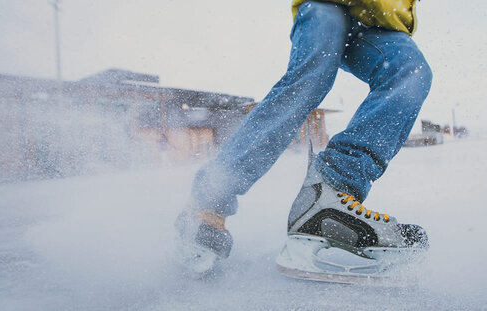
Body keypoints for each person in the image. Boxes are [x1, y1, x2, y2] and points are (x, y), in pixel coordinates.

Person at [176, 0, 432, 280]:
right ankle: (209, 199)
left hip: (383, 20)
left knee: (410, 72)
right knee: (311, 77)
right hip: (327, 4)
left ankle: (331, 188)